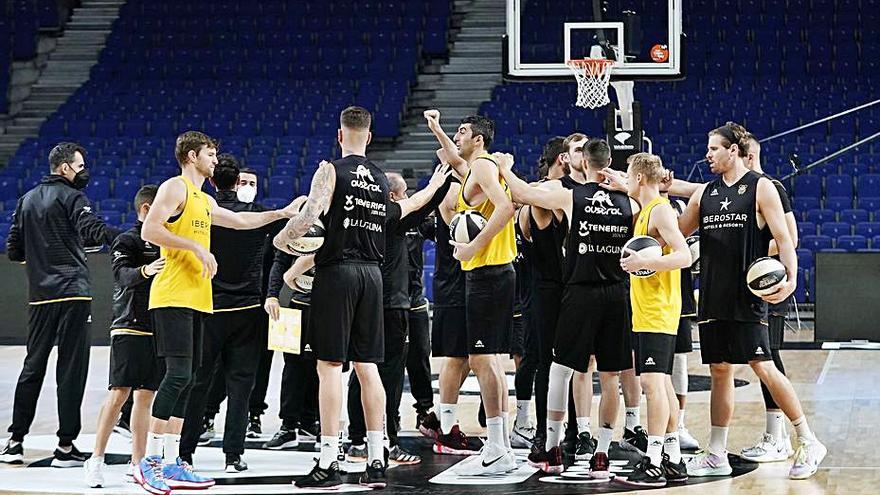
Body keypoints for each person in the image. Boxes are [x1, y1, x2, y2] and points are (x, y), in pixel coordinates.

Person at [134, 131, 298, 494]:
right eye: (210, 153)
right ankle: (150, 461)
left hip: (198, 299)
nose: (215, 160)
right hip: (172, 296)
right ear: (192, 156)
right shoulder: (174, 187)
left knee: (190, 379)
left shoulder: (204, 199)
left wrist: (282, 213)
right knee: (177, 376)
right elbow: (150, 229)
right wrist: (195, 246)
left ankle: (175, 462)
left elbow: (240, 221)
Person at [673, 122, 825, 480]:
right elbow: (676, 233)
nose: (707, 155)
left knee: (764, 367)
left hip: (747, 298)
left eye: (713, 149)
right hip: (711, 297)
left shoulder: (762, 188)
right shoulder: (704, 194)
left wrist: (790, 280)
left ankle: (806, 437)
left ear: (734, 150)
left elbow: (785, 240)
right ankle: (716, 452)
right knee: (720, 372)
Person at [503, 139, 639, 477]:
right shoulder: (631, 204)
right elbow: (654, 205)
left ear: (586, 163)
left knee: (561, 371)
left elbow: (524, 194)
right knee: (610, 379)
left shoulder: (569, 196)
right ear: (608, 162)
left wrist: (504, 169)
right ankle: (602, 453)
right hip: (617, 294)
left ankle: (551, 447)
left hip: (580, 293)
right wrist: (626, 185)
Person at [273, 106, 393, 489]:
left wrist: (282, 239)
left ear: (340, 135)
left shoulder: (329, 169)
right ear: (369, 137)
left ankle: (328, 460)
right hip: (372, 276)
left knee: (328, 367)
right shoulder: (379, 177)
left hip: (337, 272)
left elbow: (311, 215)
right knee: (367, 367)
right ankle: (377, 458)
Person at [2, 142, 119, 467]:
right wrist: (120, 237)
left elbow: (14, 251)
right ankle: (65, 447)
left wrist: (42, 253)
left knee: (32, 366)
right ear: (66, 168)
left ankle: (15, 442)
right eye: (80, 166)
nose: (83, 172)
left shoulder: (25, 200)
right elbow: (90, 229)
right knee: (71, 370)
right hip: (73, 292)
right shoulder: (73, 197)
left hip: (39, 296)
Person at [177, 154, 286, 473]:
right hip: (248, 311)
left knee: (198, 383)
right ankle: (233, 456)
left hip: (208, 307)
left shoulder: (202, 210)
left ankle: (185, 453)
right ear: (238, 182)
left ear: (212, 181)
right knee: (241, 386)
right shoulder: (260, 216)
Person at [346, 168, 451, 466]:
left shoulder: (360, 217)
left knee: (362, 373)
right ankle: (388, 442)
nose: (406, 197)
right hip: (392, 306)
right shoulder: (395, 216)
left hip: (363, 302)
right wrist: (441, 180)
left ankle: (356, 441)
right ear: (392, 196)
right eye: (403, 193)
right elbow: (426, 203)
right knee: (389, 378)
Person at [446, 114, 518, 476]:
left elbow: (507, 208)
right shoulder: (476, 168)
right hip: (490, 273)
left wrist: (473, 245)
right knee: (489, 361)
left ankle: (495, 446)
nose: (456, 136)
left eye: (461, 132)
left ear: (478, 139)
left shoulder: (485, 166)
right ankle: (500, 444)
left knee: (481, 360)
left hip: (489, 272)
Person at [614, 153, 692, 487]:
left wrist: (644, 265)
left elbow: (684, 255)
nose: (627, 182)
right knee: (661, 385)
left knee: (652, 385)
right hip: (648, 309)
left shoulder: (659, 209)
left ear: (641, 179)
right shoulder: (645, 210)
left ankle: (654, 460)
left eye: (629, 177)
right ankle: (674, 459)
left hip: (658, 310)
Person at [83, 185, 164, 487]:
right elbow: (123, 277)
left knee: (146, 397)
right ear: (146, 210)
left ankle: (138, 463)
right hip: (128, 325)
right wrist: (147, 270)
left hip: (157, 327)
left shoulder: (167, 242)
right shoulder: (127, 240)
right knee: (120, 394)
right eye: (163, 209)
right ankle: (96, 460)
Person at [739, 132, 799, 463]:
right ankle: (777, 436)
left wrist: (757, 259)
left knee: (769, 356)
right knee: (763, 358)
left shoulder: (769, 187)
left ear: (746, 157)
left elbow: (791, 238)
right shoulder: (746, 191)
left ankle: (778, 437)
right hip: (754, 286)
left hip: (769, 283)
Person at [262, 250, 320, 450]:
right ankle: (288, 426)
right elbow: (280, 260)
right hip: (294, 304)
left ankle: (314, 423)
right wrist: (272, 295)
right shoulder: (296, 225)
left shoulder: (338, 222)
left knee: (326, 366)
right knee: (293, 368)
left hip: (330, 304)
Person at [405, 217, 435, 429]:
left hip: (414, 301)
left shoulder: (417, 222)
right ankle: (386, 416)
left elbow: (444, 228)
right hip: (385, 301)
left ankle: (424, 410)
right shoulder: (382, 218)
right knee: (387, 364)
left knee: (420, 358)